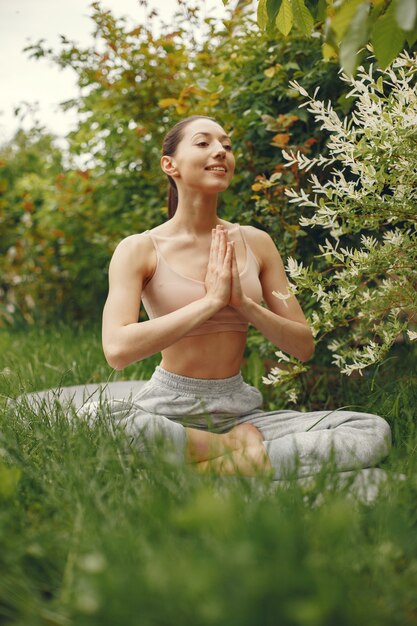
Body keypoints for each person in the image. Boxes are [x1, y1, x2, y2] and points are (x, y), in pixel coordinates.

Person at [98, 114, 391, 479]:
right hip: (168, 410)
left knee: (370, 430)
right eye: (204, 143)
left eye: (227, 145)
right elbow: (117, 350)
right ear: (169, 164)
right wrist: (209, 303)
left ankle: (202, 470)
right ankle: (234, 452)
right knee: (98, 421)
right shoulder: (140, 249)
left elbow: (303, 346)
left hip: (240, 411)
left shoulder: (256, 242)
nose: (220, 151)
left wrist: (245, 305)